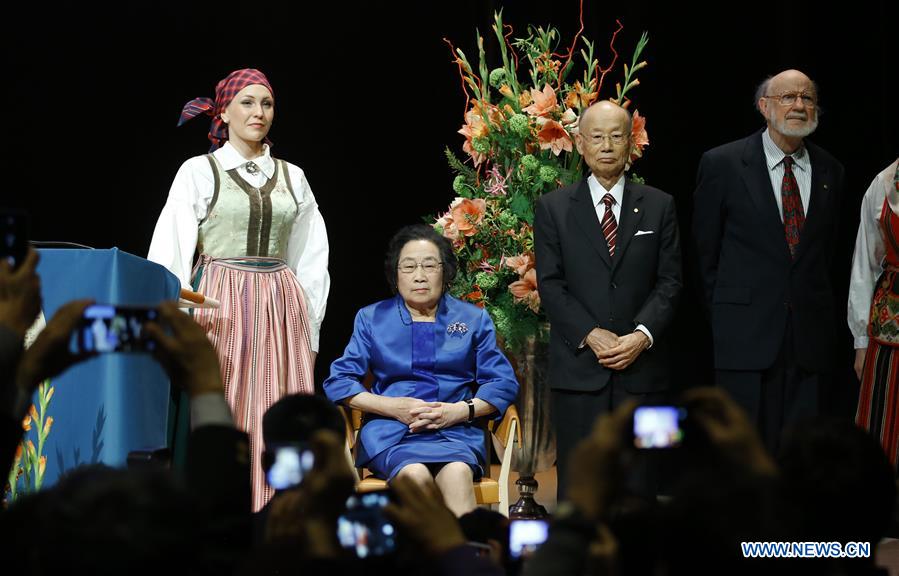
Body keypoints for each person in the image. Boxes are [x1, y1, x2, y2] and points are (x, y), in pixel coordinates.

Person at [147, 68, 330, 511]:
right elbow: (168, 254)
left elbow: (311, 258)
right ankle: (220, 515)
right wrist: (180, 320)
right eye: (247, 102)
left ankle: (282, 516)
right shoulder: (199, 171)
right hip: (219, 304)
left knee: (279, 411)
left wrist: (309, 327)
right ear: (223, 111)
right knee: (223, 409)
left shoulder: (293, 176)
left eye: (266, 104)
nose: (259, 112)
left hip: (278, 309)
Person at [534, 100, 682, 498]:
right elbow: (550, 284)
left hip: (648, 374)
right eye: (596, 137)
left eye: (616, 136)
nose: (606, 145)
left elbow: (671, 283)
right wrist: (591, 333)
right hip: (580, 374)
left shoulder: (660, 204)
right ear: (580, 144)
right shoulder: (553, 208)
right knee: (581, 489)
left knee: (649, 486)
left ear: (631, 144)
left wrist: (640, 336)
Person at [693, 69, 845, 452]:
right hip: (744, 339)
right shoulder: (723, 163)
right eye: (787, 97)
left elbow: (829, 256)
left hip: (809, 342)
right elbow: (705, 252)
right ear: (764, 107)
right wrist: (727, 316)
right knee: (742, 457)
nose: (798, 105)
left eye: (807, 98)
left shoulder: (832, 170)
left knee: (803, 458)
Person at [323, 224, 518, 516]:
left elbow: (502, 382)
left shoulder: (473, 318)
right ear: (395, 274)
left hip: (456, 432)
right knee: (414, 475)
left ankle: (465, 556)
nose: (419, 276)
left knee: (457, 473)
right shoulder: (371, 318)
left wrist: (459, 411)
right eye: (409, 266)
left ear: (446, 271)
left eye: (430, 265)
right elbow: (339, 381)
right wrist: (392, 407)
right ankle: (425, 558)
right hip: (392, 433)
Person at [848, 158, 899, 471]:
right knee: (883, 429)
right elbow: (864, 266)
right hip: (891, 334)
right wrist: (861, 340)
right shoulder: (884, 183)